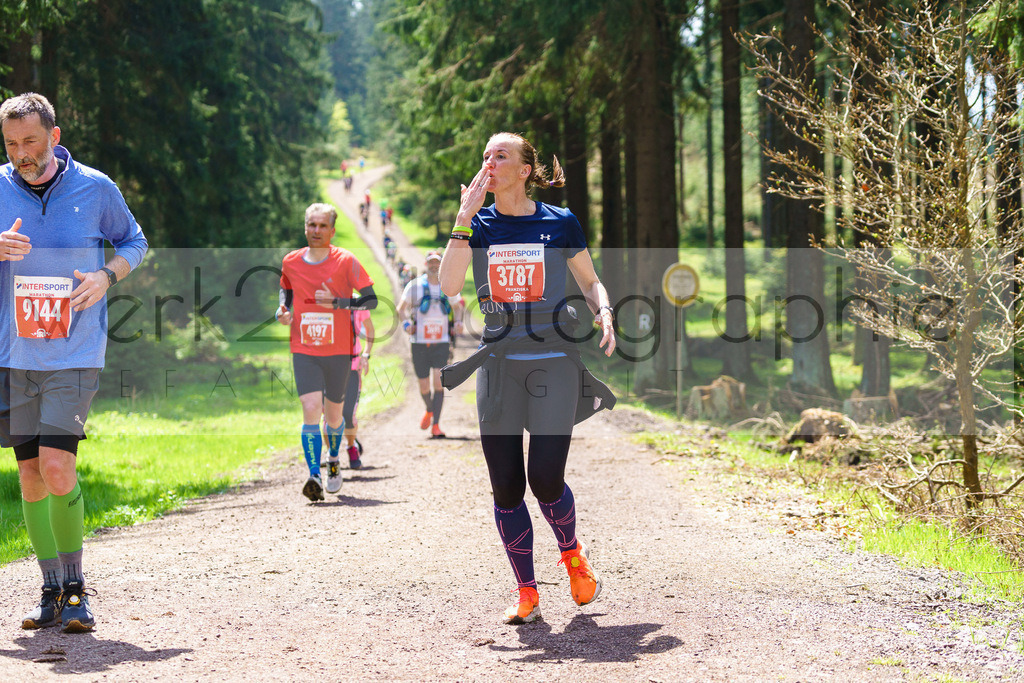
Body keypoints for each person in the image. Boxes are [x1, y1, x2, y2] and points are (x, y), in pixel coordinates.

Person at [439, 132, 616, 625]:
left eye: (501, 156)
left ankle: (572, 555)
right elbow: (449, 285)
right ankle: (527, 593)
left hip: (554, 363)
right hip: (497, 368)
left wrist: (604, 310)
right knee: (506, 488)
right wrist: (462, 220)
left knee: (544, 476)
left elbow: (589, 279)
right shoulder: (478, 225)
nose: (489, 163)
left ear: (523, 170)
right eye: (485, 157)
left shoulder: (559, 222)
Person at [0, 93, 149, 633]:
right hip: (13, 356)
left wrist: (105, 276)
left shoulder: (95, 187)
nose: (22, 153)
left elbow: (135, 241)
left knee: (59, 468)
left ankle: (76, 590)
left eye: (31, 142)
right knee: (32, 477)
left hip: (75, 353)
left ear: (54, 137)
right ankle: (47, 589)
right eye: (12, 143)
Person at [277, 203, 377, 501]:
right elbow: (286, 292)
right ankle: (314, 475)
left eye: (322, 226)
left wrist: (338, 303)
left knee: (334, 416)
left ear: (332, 231)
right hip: (304, 348)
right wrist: (282, 309)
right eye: (312, 225)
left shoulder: (346, 261)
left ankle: (333, 459)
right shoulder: (291, 261)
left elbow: (371, 301)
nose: (316, 231)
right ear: (305, 227)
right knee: (311, 409)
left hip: (339, 351)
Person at [397, 250, 465, 438]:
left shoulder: (448, 286)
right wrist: (406, 324)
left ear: (442, 264)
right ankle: (429, 410)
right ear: (426, 264)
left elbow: (458, 308)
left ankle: (436, 425)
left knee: (438, 383)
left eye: (438, 262)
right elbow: (400, 309)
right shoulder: (414, 286)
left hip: (441, 342)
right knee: (424, 386)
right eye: (431, 262)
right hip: (419, 342)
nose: (434, 265)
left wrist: (458, 322)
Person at [342, 308, 374, 468]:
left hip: (352, 367)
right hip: (328, 367)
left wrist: (366, 355)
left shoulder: (357, 304)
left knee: (348, 414)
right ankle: (331, 456)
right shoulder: (325, 300)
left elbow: (370, 329)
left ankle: (351, 446)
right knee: (327, 415)